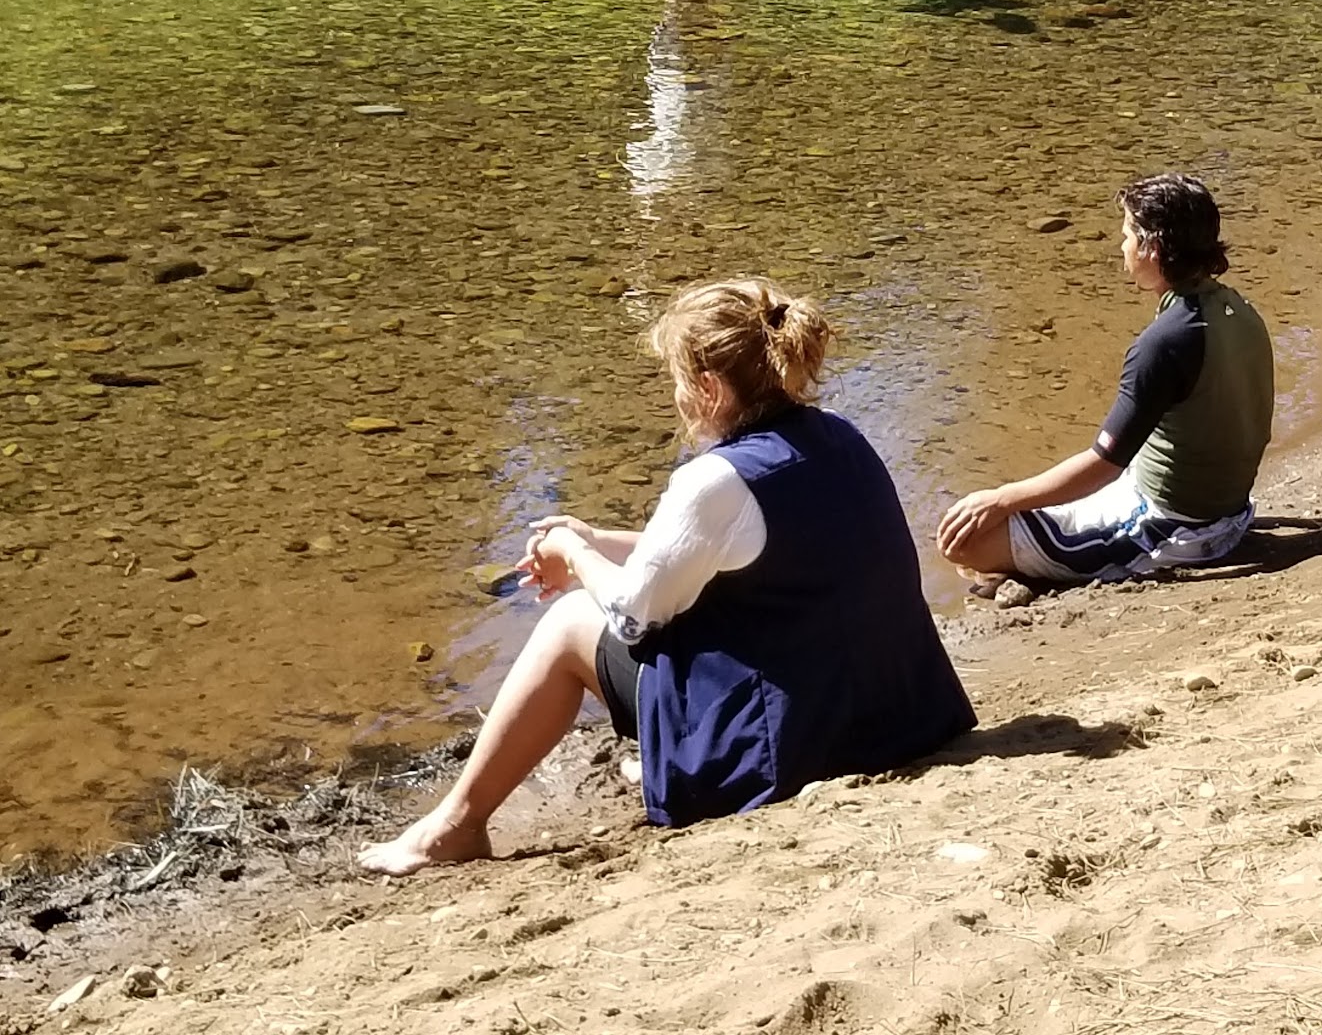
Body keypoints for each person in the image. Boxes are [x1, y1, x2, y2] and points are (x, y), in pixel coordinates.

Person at [360, 279, 974, 876]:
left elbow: (633, 616)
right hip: (902, 718)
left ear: (708, 387)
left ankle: (455, 826)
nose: (676, 398)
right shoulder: (839, 436)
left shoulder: (713, 481)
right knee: (663, 614)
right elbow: (747, 550)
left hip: (799, 751)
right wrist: (598, 540)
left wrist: (574, 554)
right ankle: (644, 758)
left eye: (678, 381)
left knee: (572, 624)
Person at [937, 173, 1274, 586]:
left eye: (1128, 235)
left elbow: (1104, 466)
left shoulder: (1165, 341)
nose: (1122, 247)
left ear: (1152, 247)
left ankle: (1025, 572)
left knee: (964, 542)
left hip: (1179, 524)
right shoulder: (1235, 307)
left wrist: (1000, 498)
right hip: (1226, 506)